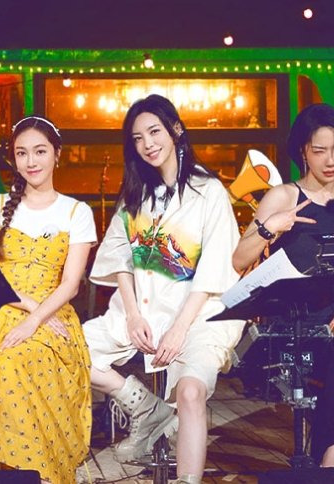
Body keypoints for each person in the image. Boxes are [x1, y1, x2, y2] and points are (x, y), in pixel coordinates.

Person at [83, 94, 245, 484]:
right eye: (137, 138)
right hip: (141, 312)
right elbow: (118, 257)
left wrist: (179, 329)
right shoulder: (136, 193)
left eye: (154, 132)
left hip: (201, 316)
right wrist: (132, 314)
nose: (147, 144)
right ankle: (145, 408)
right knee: (65, 352)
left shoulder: (209, 191)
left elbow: (215, 269)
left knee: (190, 393)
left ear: (176, 130)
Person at [233, 103, 334, 467]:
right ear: (303, 151)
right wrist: (271, 227)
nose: (331, 160)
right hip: (294, 323)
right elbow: (239, 260)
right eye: (320, 151)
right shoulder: (282, 197)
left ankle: (332, 456)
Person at [0, 116, 95, 484]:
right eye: (22, 153)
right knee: (11, 359)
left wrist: (38, 318)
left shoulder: (77, 212)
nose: (31, 161)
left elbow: (70, 285)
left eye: (40, 151)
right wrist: (29, 310)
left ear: (57, 154)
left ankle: (13, 473)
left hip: (55, 314)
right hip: (5, 309)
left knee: (27, 360)